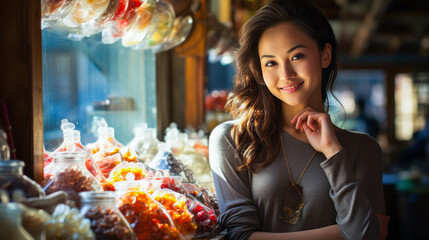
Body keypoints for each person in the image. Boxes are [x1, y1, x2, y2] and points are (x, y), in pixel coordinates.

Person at [208, 0, 389, 239]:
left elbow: (365, 236)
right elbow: (240, 236)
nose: (285, 74)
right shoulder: (233, 140)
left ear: (325, 56)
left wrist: (333, 152)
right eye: (271, 63)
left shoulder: (363, 149)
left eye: (297, 56)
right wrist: (343, 233)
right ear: (259, 71)